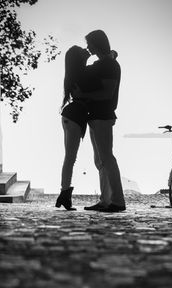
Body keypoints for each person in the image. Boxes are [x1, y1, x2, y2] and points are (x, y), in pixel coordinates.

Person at [73, 30, 126, 212]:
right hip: (96, 116)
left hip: (103, 116)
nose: (88, 47)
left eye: (90, 44)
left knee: (107, 158)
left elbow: (107, 93)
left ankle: (117, 201)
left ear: (97, 44)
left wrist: (83, 95)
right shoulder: (105, 63)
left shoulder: (110, 65)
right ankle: (105, 200)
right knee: (100, 160)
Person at [55, 45, 101, 210]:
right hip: (75, 117)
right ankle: (64, 195)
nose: (86, 50)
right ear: (79, 58)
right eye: (83, 51)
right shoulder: (84, 74)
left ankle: (64, 193)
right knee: (70, 158)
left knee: (69, 158)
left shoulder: (73, 74)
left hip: (69, 116)